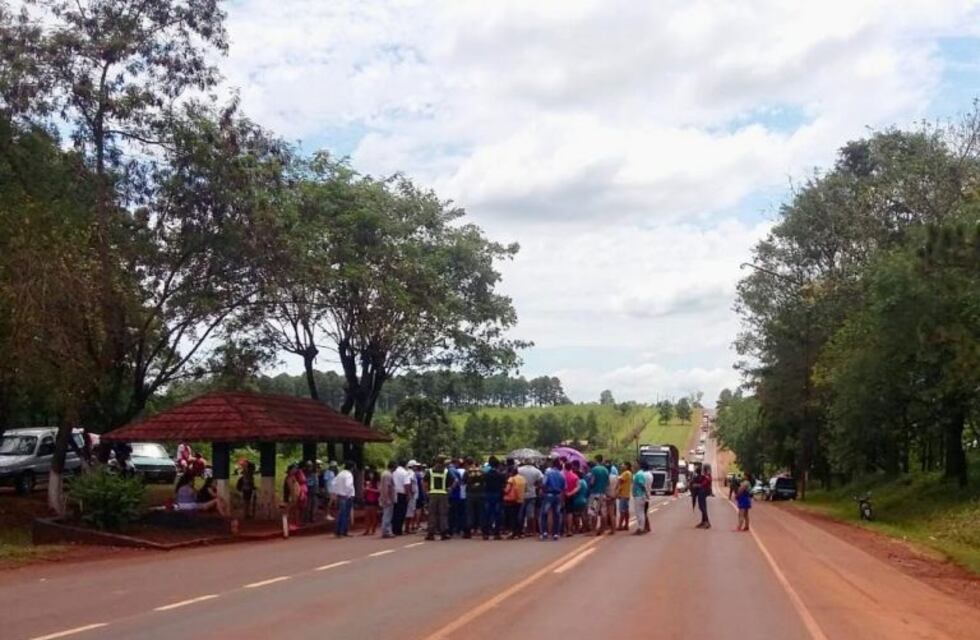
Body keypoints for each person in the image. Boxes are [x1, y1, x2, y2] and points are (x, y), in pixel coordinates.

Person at [425, 457, 454, 540]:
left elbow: (425, 482)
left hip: (432, 494)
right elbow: (454, 481)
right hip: (443, 494)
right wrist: (449, 489)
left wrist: (426, 491)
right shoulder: (446, 471)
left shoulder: (430, 471)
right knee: (443, 514)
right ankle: (443, 533)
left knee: (432, 514)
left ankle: (431, 533)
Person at [540, 458, 565, 541]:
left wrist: (543, 491)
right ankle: (555, 533)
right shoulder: (561, 475)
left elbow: (544, 483)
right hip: (558, 495)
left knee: (544, 513)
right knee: (556, 514)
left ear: (552, 464)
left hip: (549, 495)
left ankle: (544, 532)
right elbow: (564, 487)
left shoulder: (548, 473)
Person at [517, 459, 543, 536]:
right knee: (530, 514)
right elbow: (541, 481)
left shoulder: (519, 470)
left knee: (520, 513)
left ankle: (520, 529)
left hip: (521, 493)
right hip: (532, 493)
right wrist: (537, 486)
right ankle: (530, 530)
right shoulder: (537, 471)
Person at [482, 457, 505, 540]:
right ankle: (496, 533)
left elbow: (483, 484)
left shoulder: (486, 475)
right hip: (497, 495)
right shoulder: (500, 475)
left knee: (487, 514)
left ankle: (486, 533)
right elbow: (503, 485)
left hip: (487, 494)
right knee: (497, 514)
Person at [463, 458, 485, 539]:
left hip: (470, 493)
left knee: (470, 513)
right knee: (481, 512)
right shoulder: (481, 471)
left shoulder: (467, 471)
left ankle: (468, 532)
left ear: (467, 463)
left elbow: (464, 481)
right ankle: (483, 531)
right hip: (480, 493)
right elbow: (484, 481)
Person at [588, 456, 610, 535]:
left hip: (595, 494)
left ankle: (593, 530)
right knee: (603, 513)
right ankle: (602, 529)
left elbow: (592, 482)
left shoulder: (594, 469)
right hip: (603, 494)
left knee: (594, 512)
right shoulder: (605, 470)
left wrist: (590, 485)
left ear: (596, 460)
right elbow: (608, 483)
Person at [503, 465, 526, 539]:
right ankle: (520, 532)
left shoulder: (511, 479)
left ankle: (513, 532)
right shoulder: (522, 478)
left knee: (512, 517)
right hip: (521, 499)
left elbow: (507, 490)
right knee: (519, 516)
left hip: (512, 500)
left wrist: (503, 490)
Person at [333, 462, 355, 537]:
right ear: (351, 468)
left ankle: (338, 531)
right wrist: (349, 495)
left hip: (340, 495)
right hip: (346, 496)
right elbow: (348, 485)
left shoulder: (340, 474)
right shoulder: (349, 475)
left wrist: (336, 492)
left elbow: (334, 484)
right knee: (345, 515)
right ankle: (343, 531)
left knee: (341, 514)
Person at [392, 460, 411, 536]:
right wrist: (408, 494)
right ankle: (399, 530)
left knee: (395, 512)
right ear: (405, 465)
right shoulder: (405, 473)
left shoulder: (394, 472)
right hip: (402, 494)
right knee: (402, 512)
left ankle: (394, 529)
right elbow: (406, 485)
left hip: (394, 493)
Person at [632, 462, 651, 535]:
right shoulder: (640, 474)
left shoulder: (639, 474)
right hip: (639, 495)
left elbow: (642, 485)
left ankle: (641, 528)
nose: (633, 466)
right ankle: (641, 528)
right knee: (640, 513)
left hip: (639, 495)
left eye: (635, 464)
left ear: (639, 466)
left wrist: (646, 493)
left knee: (639, 513)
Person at [380, 461, 397, 538]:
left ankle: (386, 531)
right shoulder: (388, 475)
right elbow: (386, 487)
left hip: (386, 497)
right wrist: (387, 498)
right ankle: (386, 531)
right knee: (387, 515)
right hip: (388, 497)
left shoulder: (385, 474)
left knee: (386, 514)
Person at [562, 460, 579, 537]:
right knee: (570, 513)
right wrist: (571, 493)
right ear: (571, 467)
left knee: (563, 513)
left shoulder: (562, 476)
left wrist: (565, 493)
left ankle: (564, 529)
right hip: (571, 496)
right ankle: (569, 530)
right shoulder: (575, 476)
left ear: (565, 467)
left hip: (562, 496)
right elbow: (578, 487)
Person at [363, 470, 380, 536]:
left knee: (373, 516)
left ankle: (373, 529)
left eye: (371, 474)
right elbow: (365, 492)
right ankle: (367, 530)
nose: (370, 475)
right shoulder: (368, 482)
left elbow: (379, 490)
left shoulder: (377, 482)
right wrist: (365, 490)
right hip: (367, 500)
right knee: (367, 516)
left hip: (374, 500)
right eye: (370, 474)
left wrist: (370, 489)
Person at [604, 461, 618, 536]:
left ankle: (604, 527)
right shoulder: (616, 477)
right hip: (613, 496)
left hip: (606, 496)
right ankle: (613, 529)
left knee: (605, 513)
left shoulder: (606, 477)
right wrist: (615, 495)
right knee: (612, 514)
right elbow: (618, 487)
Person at [617, 462, 632, 531]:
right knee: (626, 511)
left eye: (623, 464)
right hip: (626, 494)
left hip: (623, 494)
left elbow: (620, 480)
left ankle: (620, 525)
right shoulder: (629, 473)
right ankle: (626, 525)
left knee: (622, 511)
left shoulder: (626, 473)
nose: (622, 465)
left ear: (627, 466)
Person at [696, 465, 712, 529]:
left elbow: (704, 483)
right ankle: (703, 522)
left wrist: (697, 485)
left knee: (702, 507)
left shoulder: (707, 476)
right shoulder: (706, 475)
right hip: (703, 491)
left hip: (703, 491)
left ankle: (707, 522)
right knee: (703, 507)